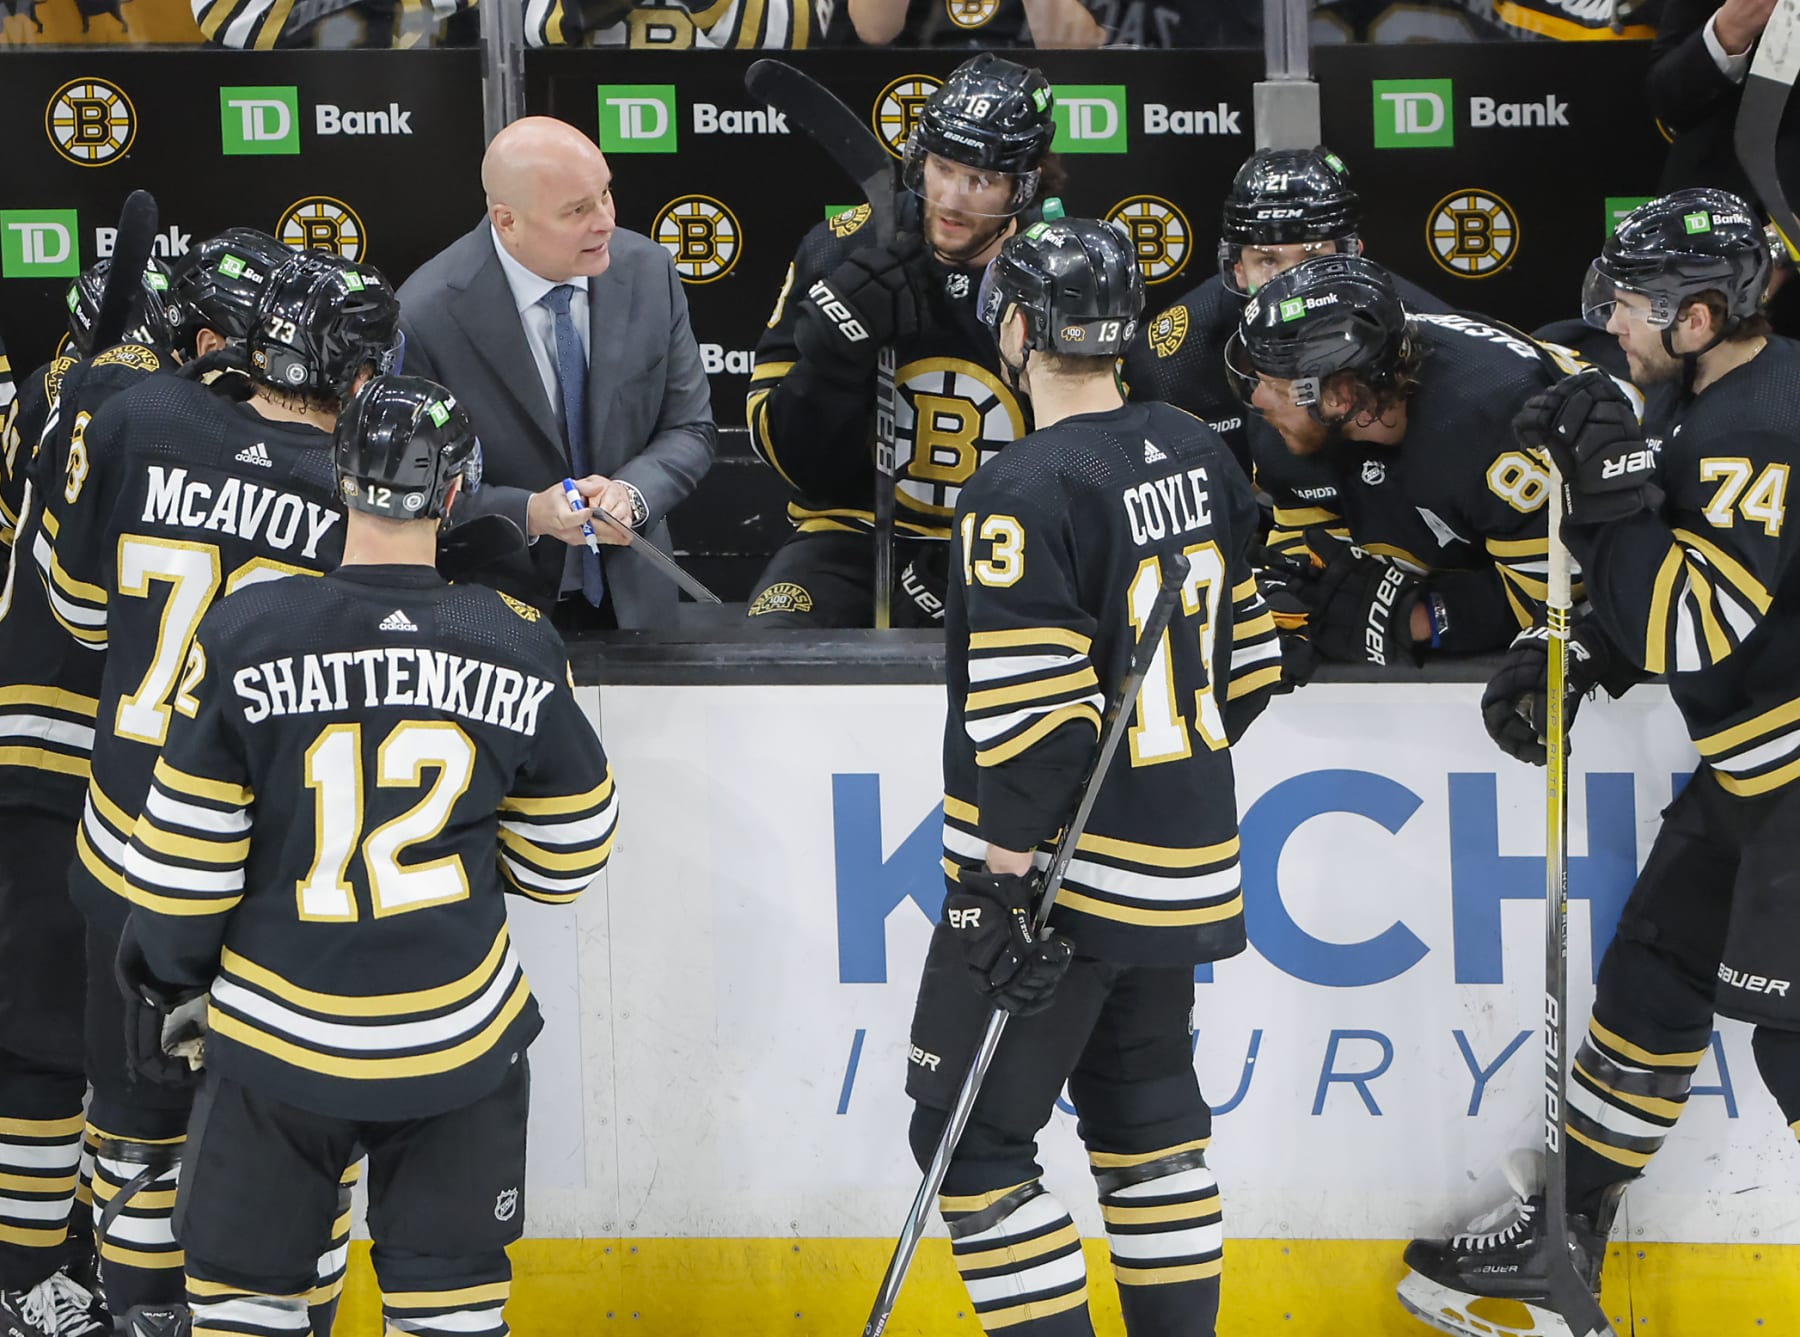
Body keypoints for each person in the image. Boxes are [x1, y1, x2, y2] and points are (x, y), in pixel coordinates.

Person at [112, 374, 615, 1337]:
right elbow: (570, 857)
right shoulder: (512, 641)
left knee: (244, 1304)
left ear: (339, 477)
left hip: (275, 1040)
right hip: (457, 1043)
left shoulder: (248, 631)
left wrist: (170, 979)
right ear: (457, 493)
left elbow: (185, 864)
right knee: (451, 1308)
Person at [1401, 189, 1799, 1337]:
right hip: (1752, 776)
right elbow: (1657, 612)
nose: (1612, 320)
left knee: (1794, 1041)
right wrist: (1569, 652)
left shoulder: (1759, 421)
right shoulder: (1706, 400)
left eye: (1635, 302)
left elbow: (1695, 620)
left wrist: (1616, 501)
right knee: (1655, 975)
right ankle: (1564, 1234)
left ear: (1703, 314)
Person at [906, 218, 1283, 1337]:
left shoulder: (1019, 487)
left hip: (1062, 887)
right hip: (1183, 862)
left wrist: (997, 881)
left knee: (966, 1144)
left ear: (1017, 326)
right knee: (1150, 1123)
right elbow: (1251, 662)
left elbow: (1036, 724)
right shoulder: (1199, 447)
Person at [36, 250, 397, 1337]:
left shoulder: (139, 416)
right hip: (270, 890)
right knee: (296, 1136)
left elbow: (80, 615)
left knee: (138, 1132)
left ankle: (141, 1315)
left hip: (131, 860)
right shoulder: (367, 492)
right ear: (363, 371)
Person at [0, 261, 179, 1337]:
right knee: (85, 1047)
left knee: (44, 1040)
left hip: (23, 738)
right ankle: (41, 1281)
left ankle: (34, 1275)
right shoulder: (159, 413)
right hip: (98, 762)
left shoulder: (44, 395)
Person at [746, 54, 1057, 627]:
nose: (954, 198)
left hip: (1007, 544)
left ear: (1024, 183)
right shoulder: (840, 249)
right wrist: (835, 361)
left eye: (981, 180)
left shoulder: (1064, 273)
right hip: (847, 536)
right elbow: (783, 453)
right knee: (775, 654)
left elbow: (1098, 450)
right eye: (943, 167)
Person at [397, 115, 716, 630]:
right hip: (496, 619)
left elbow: (690, 429)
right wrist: (531, 513)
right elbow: (414, 492)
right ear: (507, 221)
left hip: (638, 610)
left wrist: (631, 495)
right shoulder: (426, 315)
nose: (606, 221)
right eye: (577, 210)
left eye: (606, 195)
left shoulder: (649, 271)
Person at [1226, 254, 1616, 671]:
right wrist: (1289, 605)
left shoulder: (1501, 421)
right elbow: (1305, 543)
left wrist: (1416, 619)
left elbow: (1556, 593)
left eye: (1274, 386)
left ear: (1339, 397)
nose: (1258, 401)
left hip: (1599, 510)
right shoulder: (1288, 428)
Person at [1124, 145, 1450, 480]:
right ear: (1237, 267)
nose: (1293, 284)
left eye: (1312, 258)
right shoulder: (1170, 361)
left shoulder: (1421, 332)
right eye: (1268, 260)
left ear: (1353, 257)